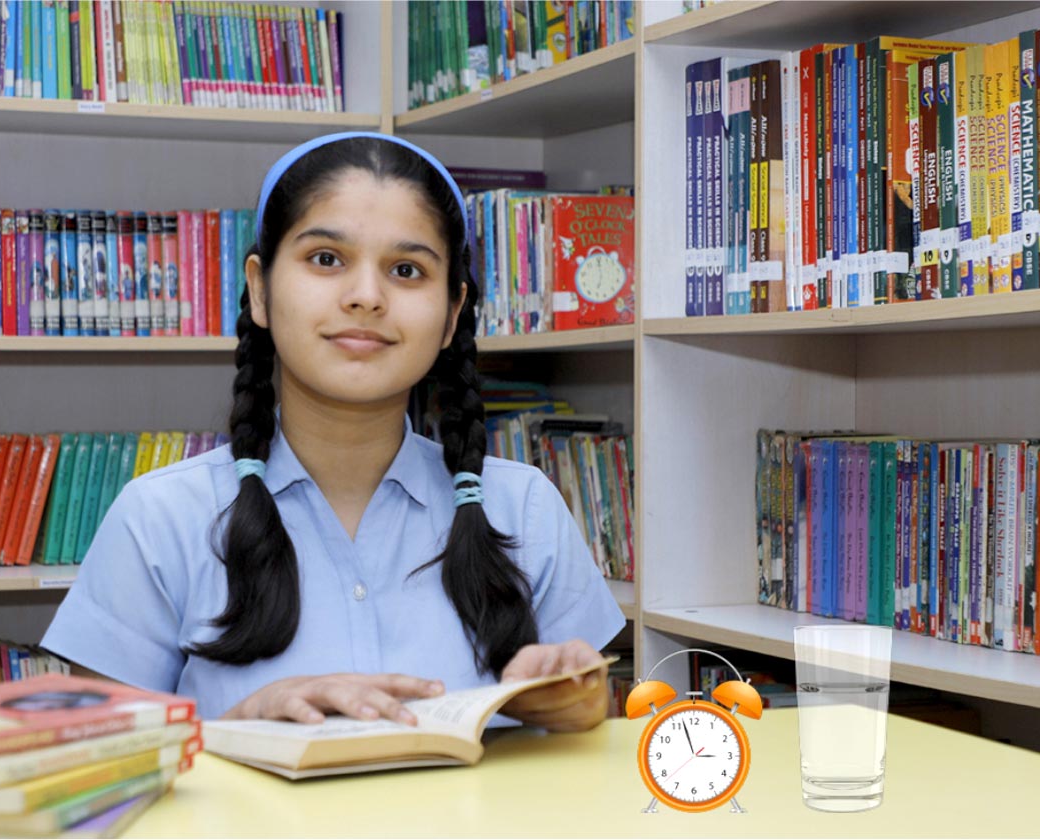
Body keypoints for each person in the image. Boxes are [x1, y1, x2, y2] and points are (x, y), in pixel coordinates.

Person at [41, 132, 626, 732]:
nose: (366, 297)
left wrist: (568, 704)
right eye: (326, 259)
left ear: (452, 314)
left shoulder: (526, 509)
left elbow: (589, 734)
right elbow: (98, 770)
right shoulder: (158, 519)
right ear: (260, 289)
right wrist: (241, 725)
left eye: (406, 270)